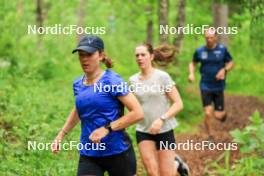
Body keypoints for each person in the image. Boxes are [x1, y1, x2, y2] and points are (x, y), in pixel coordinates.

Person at [51, 35, 144, 176]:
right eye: (81, 55)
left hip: (117, 152)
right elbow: (79, 109)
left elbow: (138, 113)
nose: (84, 59)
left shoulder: (112, 81)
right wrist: (61, 134)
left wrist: (107, 129)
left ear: (101, 55)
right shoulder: (78, 84)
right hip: (89, 153)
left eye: (89, 54)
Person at [129, 43, 189, 176]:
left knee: (166, 174)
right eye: (137, 55)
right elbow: (133, 106)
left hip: (164, 130)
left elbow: (178, 103)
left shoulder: (162, 77)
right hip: (143, 130)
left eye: (143, 55)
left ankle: (177, 165)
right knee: (152, 172)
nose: (139, 58)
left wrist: (162, 119)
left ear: (151, 56)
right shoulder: (133, 80)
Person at [188, 29, 234, 139]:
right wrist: (191, 74)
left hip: (218, 86)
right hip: (205, 85)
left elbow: (231, 62)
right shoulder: (199, 51)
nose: (209, 40)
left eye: (211, 37)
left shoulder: (222, 50)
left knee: (218, 115)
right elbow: (193, 63)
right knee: (208, 113)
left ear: (215, 37)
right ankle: (210, 135)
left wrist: (224, 70)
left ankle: (222, 114)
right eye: (207, 37)